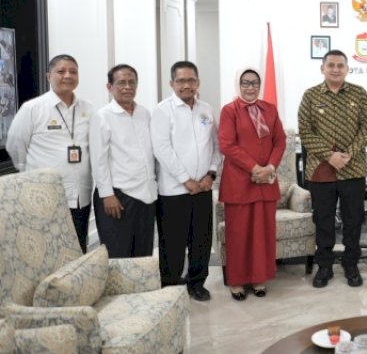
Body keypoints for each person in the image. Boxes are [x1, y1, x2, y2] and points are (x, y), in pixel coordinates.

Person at [298, 49, 367, 288]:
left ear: (347, 68)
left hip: (353, 169)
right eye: (331, 65)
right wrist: (330, 155)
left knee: (353, 220)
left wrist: (348, 153)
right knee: (324, 221)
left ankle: (351, 264)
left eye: (341, 65)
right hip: (321, 170)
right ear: (323, 68)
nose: (336, 69)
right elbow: (305, 132)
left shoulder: (359, 94)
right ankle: (325, 266)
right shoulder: (310, 96)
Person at [7, 55, 94, 252]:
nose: (68, 75)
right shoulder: (32, 109)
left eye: (73, 71)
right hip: (45, 195)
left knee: (78, 247)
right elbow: (15, 145)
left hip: (80, 195)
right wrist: (28, 172)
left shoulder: (88, 109)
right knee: (48, 249)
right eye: (61, 71)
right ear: (49, 76)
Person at [151, 61, 221, 301]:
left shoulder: (207, 110)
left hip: (203, 188)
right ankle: (171, 284)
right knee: (173, 242)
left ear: (198, 83)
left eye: (191, 80)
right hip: (173, 190)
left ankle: (197, 283)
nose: (186, 85)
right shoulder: (162, 110)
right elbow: (162, 148)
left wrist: (211, 174)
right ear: (172, 84)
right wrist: (185, 179)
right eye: (180, 81)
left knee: (201, 239)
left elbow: (215, 145)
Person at [218, 68, 286, 301]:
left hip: (265, 182)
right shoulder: (229, 111)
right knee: (239, 234)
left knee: (262, 234)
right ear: (238, 84)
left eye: (254, 83)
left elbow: (280, 141)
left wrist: (270, 168)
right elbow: (227, 144)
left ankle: (259, 278)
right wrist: (254, 168)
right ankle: (237, 282)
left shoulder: (270, 109)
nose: (250, 87)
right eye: (245, 83)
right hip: (240, 183)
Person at [90, 64, 157, 258]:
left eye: (132, 82)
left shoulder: (144, 113)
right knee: (118, 254)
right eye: (121, 83)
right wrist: (107, 195)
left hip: (146, 194)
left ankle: (141, 290)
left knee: (143, 253)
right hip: (118, 195)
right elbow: (98, 160)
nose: (128, 87)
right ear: (109, 87)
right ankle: (120, 291)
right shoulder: (102, 117)